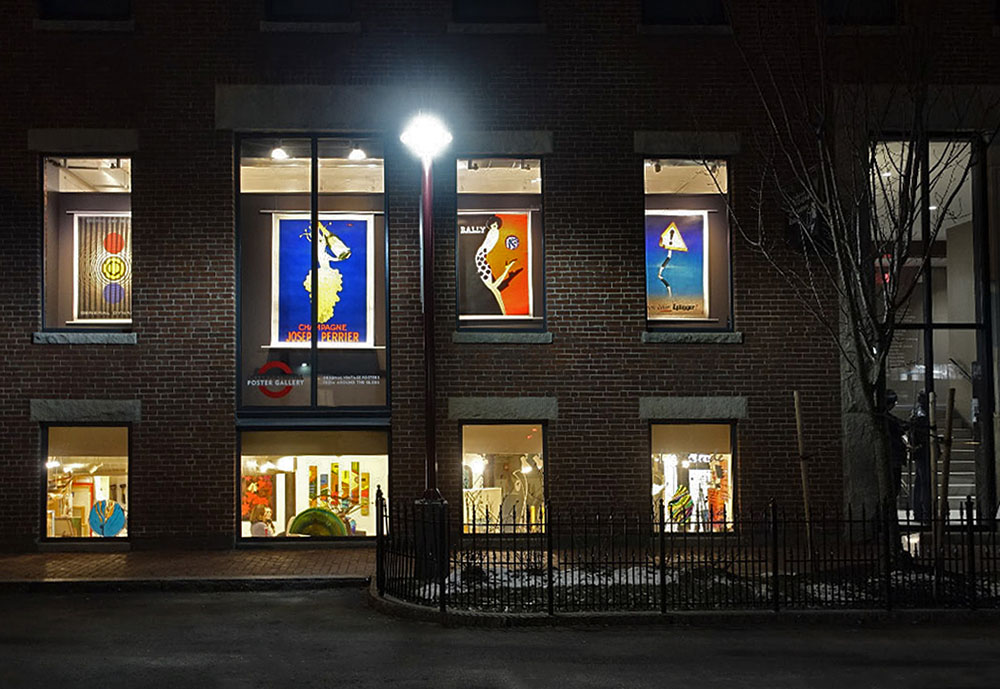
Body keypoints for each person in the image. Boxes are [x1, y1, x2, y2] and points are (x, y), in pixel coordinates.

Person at [909, 390, 932, 522]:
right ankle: (923, 512)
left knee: (920, 482)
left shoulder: (917, 412)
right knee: (923, 482)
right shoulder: (922, 415)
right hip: (922, 451)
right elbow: (923, 435)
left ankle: (919, 511)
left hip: (919, 452)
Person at [885, 389, 908, 506]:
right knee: (894, 485)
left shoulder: (888, 418)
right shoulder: (888, 420)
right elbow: (900, 425)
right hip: (893, 456)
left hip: (894, 456)